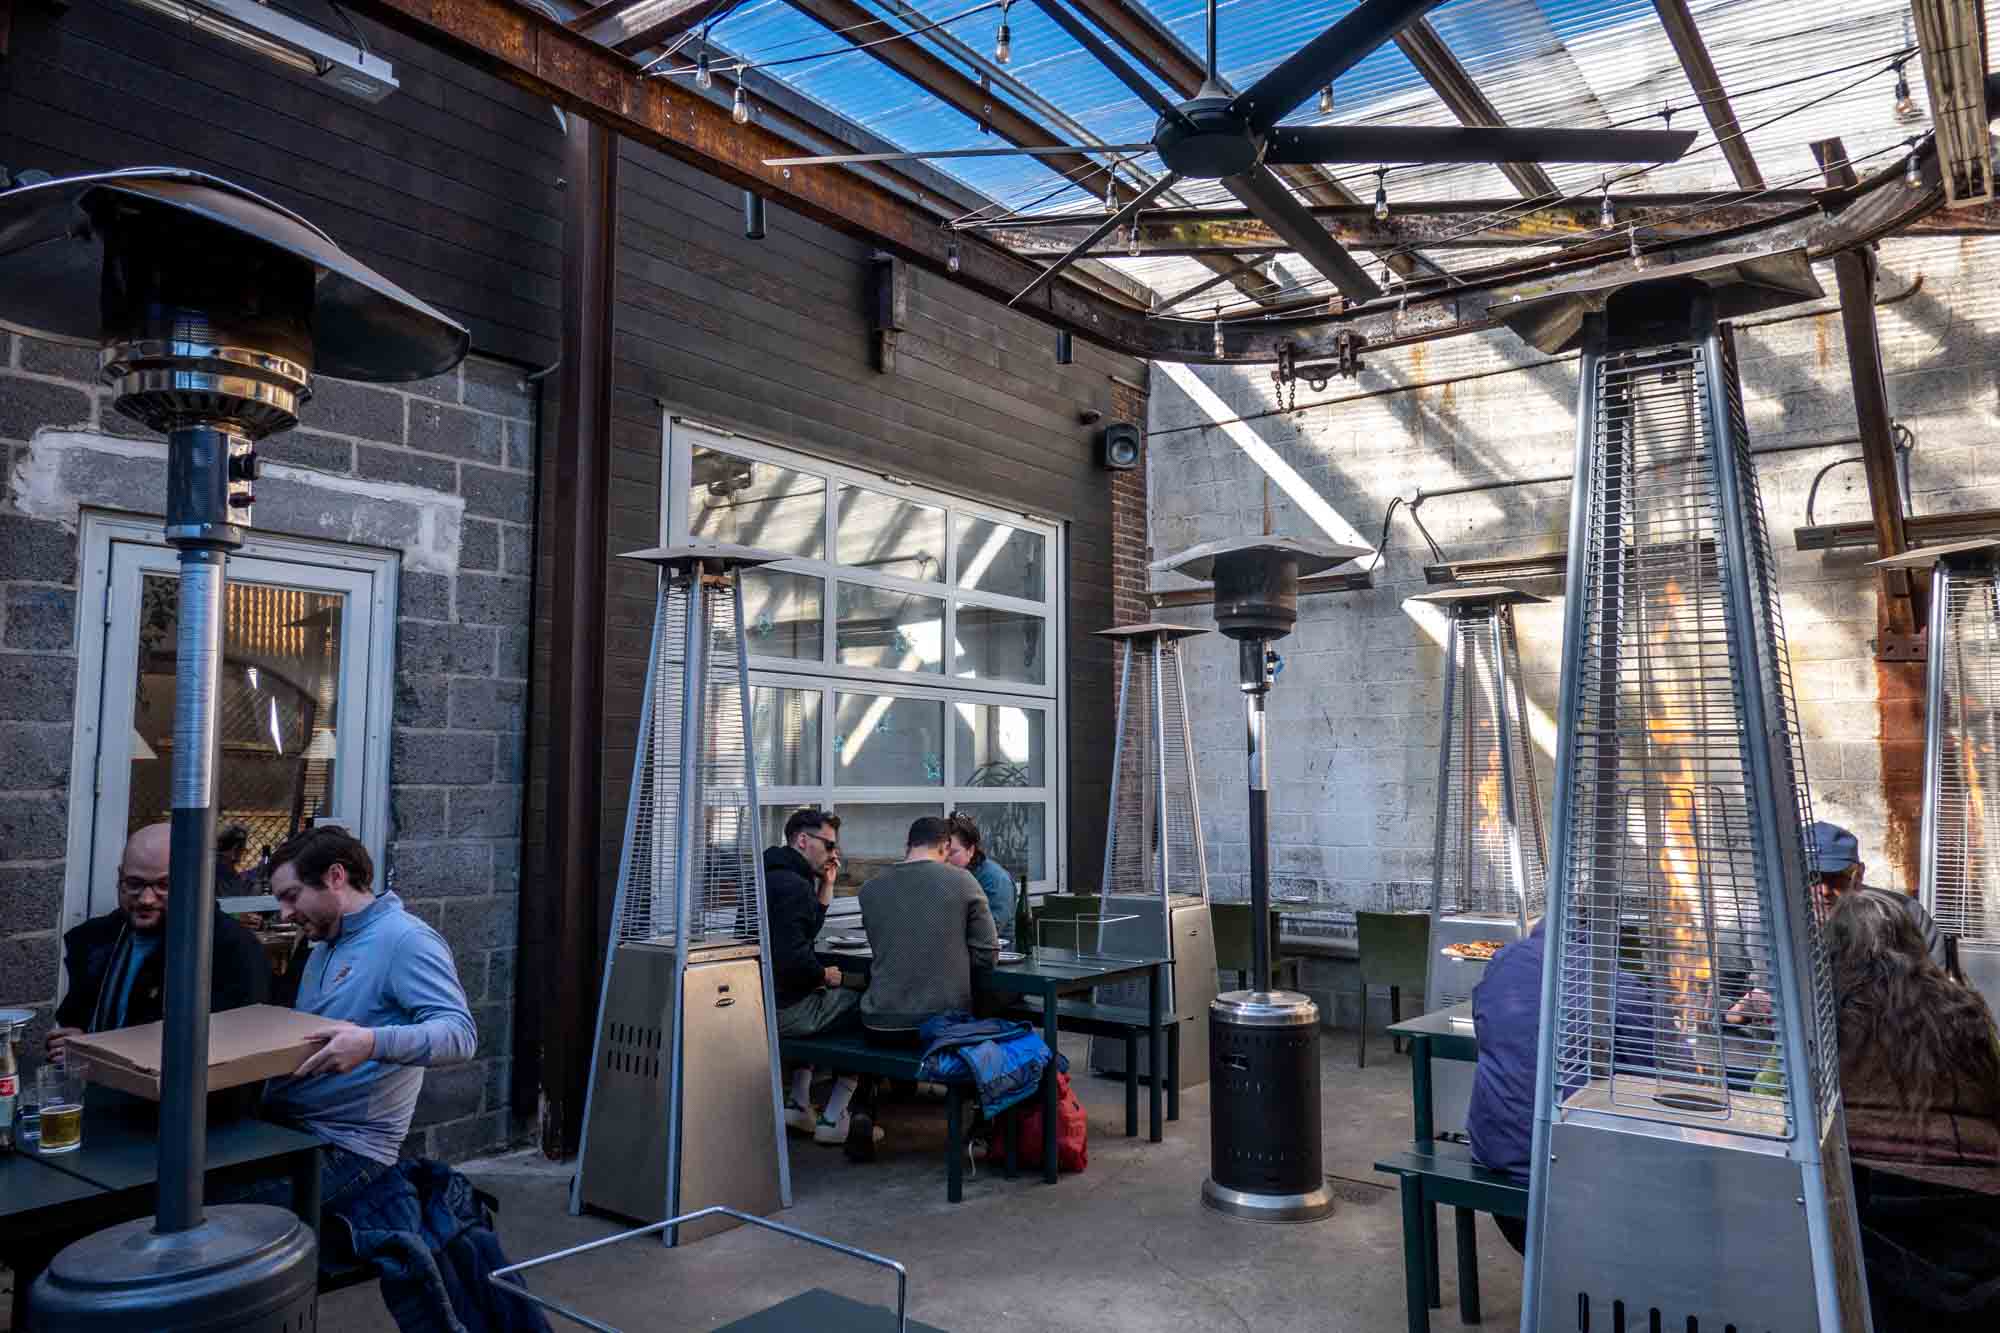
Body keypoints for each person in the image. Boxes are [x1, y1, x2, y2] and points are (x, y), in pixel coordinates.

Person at [238, 826, 477, 1213]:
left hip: (348, 1148)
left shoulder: (405, 940)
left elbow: (460, 1035)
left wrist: (370, 1044)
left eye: (291, 896)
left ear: (335, 877)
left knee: (212, 1211)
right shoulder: (322, 944)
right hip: (292, 1128)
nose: (284, 913)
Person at [1824, 888, 2000, 1328]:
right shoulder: (1967, 1009)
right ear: (1911, 940)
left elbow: (1773, 1096)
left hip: (1865, 1209)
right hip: (1972, 1213)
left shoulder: (1823, 1014)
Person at [1465, 917, 1656, 1255]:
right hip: (1581, 1178)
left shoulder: (1502, 963)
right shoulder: (1621, 985)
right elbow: (1652, 1082)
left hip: (1496, 1153)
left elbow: (1488, 1035)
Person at [48, 822, 270, 1064]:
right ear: (119, 878)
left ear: (194, 883)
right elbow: (77, 1022)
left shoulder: (231, 951)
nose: (146, 899)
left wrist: (98, 1051)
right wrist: (73, 1041)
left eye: (164, 885)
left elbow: (227, 1055)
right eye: (134, 884)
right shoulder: (97, 939)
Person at [762, 808, 873, 1150]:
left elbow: (803, 931)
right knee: (866, 1006)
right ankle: (834, 1116)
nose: (834, 854)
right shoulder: (793, 886)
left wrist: (827, 885)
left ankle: (798, 1103)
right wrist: (822, 973)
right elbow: (792, 958)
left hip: (764, 1000)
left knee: (825, 995)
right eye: (828, 845)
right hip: (787, 1010)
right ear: (802, 840)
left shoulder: (772, 873)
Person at [858, 816, 998, 1047]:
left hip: (879, 1023)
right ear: (945, 847)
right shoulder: (963, 881)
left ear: (908, 845)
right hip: (943, 1024)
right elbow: (987, 954)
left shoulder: (870, 888)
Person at [1810, 819, 1944, 968]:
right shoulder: (1782, 926)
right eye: (1811, 878)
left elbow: (1934, 982)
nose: (1824, 890)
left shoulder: (1907, 914)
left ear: (1859, 874)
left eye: (1836, 877)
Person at [946, 811, 1016, 931]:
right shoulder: (948, 874)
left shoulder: (996, 879)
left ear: (970, 850)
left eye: (952, 852)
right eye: (941, 851)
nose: (945, 857)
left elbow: (990, 928)